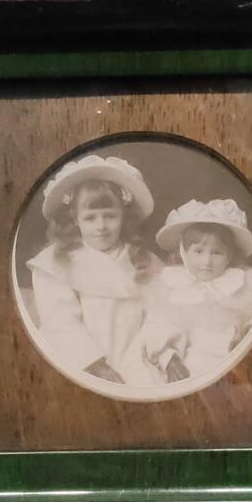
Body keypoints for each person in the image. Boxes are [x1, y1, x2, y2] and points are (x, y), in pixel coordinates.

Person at [27, 155, 163, 386]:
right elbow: (60, 321)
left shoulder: (142, 259)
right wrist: (95, 365)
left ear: (124, 216)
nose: (101, 227)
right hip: (86, 363)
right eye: (90, 218)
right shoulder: (57, 261)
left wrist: (159, 352)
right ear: (75, 219)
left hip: (139, 356)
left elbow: (160, 313)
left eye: (110, 216)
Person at [143, 198, 252, 381]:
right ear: (183, 253)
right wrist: (170, 360)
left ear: (230, 256)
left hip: (236, 364)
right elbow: (157, 329)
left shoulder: (249, 285)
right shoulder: (170, 288)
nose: (207, 262)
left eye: (217, 252)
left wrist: (248, 335)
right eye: (198, 251)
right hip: (191, 369)